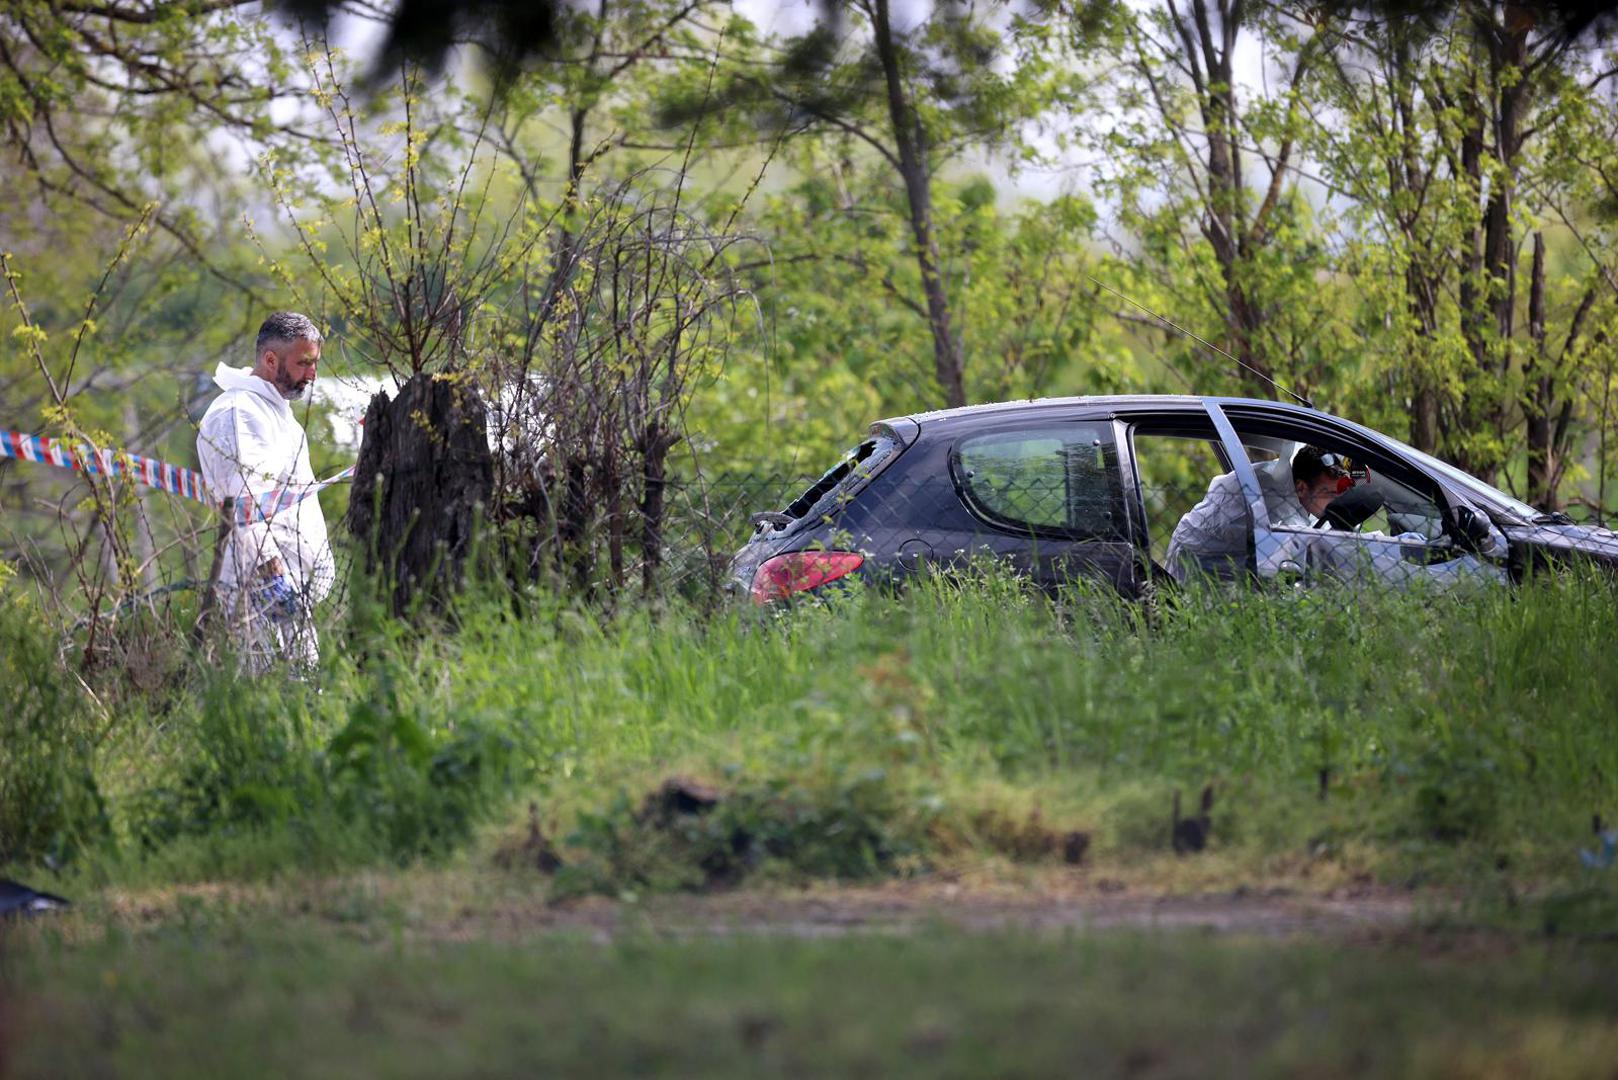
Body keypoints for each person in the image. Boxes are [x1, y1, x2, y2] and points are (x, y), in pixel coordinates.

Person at [196, 312, 336, 672]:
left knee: (300, 705)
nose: (312, 374)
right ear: (270, 360)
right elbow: (245, 501)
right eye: (303, 363)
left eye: (315, 363)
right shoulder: (240, 413)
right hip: (258, 592)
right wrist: (272, 579)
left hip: (289, 593)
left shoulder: (274, 412)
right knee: (272, 702)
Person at [1166, 445, 1348, 581]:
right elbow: (1303, 562)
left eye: (1340, 494)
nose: (1336, 501)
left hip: (1200, 562)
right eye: (1329, 493)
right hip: (1196, 576)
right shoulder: (1279, 512)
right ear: (1301, 487)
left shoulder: (1280, 477)